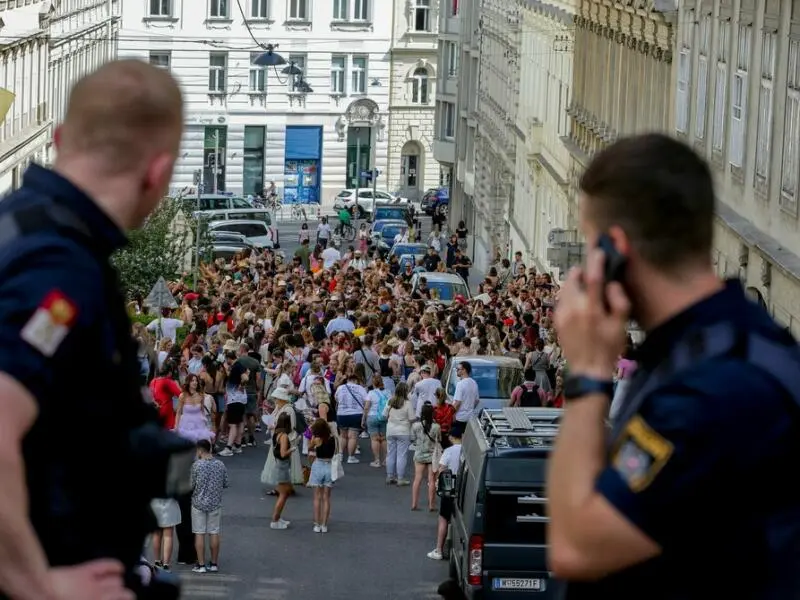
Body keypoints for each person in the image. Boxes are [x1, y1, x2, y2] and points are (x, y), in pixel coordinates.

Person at [547, 133, 800, 599]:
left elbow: (575, 546)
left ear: (615, 249)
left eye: (588, 247)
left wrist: (586, 373)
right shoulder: (733, 343)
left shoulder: (710, 389)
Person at [0, 60, 187, 600]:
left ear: (59, 139)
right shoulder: (59, 269)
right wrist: (37, 587)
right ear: (158, 171)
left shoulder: (22, 224)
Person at [190, 439, 228, 574]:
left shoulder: (196, 465)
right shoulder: (220, 464)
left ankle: (201, 565)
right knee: (214, 532)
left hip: (198, 503)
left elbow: (191, 485)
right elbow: (225, 483)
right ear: (210, 449)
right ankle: (214, 563)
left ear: (200, 450)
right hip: (215, 503)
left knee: (199, 533)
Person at [308, 419, 337, 533]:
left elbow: (310, 448)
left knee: (317, 497)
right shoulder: (332, 438)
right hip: (329, 466)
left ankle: (317, 523)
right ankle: (324, 524)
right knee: (326, 498)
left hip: (318, 465)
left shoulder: (316, 439)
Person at [269, 412, 296, 530]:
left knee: (284, 493)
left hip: (280, 465)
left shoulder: (276, 433)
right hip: (283, 466)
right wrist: (292, 449)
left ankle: (278, 517)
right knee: (283, 494)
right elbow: (283, 453)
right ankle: (275, 519)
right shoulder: (284, 436)